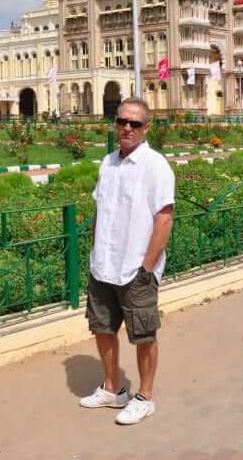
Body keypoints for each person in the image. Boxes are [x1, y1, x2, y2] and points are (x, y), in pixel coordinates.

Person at [80, 99, 175, 425]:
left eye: (135, 124)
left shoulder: (155, 165)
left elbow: (164, 219)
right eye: (122, 121)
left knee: (143, 334)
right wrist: (94, 252)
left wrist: (147, 267)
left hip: (135, 268)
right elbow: (99, 210)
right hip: (104, 265)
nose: (127, 128)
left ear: (146, 128)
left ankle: (145, 397)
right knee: (103, 328)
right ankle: (112, 389)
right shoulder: (108, 163)